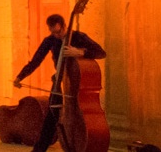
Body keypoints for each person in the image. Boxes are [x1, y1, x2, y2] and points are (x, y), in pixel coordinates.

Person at [13, 13, 107, 152]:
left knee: (79, 114)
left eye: (58, 32)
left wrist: (80, 52)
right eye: (53, 32)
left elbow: (100, 52)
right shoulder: (50, 40)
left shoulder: (78, 37)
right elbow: (36, 61)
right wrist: (20, 77)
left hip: (76, 85)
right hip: (59, 81)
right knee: (51, 115)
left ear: (64, 26)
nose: (56, 35)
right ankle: (39, 150)